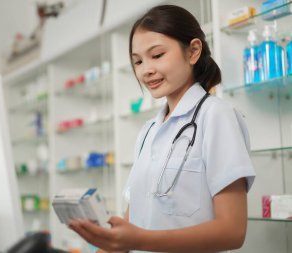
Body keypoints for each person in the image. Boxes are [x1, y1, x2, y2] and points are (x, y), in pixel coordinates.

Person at [69, 4, 255, 253]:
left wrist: (138, 240)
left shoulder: (216, 116)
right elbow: (133, 221)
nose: (146, 70)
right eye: (137, 61)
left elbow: (232, 231)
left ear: (193, 51)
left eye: (157, 55)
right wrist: (108, 242)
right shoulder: (148, 131)